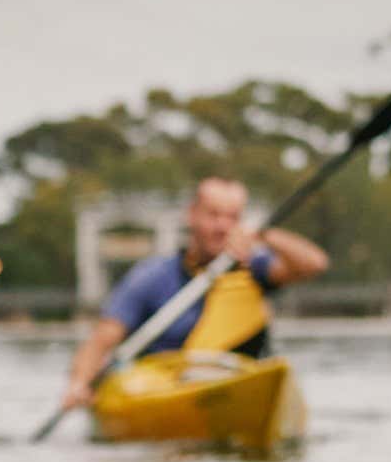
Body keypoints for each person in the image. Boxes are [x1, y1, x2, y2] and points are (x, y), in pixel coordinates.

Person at [55, 175, 332, 410]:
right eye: (213, 215)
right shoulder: (151, 277)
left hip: (241, 382)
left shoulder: (255, 268)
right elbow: (102, 339)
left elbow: (314, 264)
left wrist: (264, 235)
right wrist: (78, 383)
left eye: (232, 217)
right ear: (192, 215)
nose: (223, 226)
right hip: (168, 390)